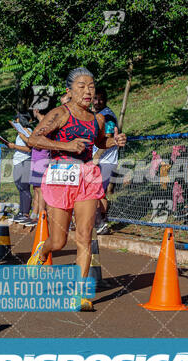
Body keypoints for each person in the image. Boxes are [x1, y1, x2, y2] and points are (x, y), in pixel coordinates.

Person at [26, 67, 126, 310]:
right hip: (61, 174)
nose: (87, 91)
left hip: (87, 176)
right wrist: (66, 145)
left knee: (84, 236)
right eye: (81, 86)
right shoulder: (59, 113)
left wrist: (115, 141)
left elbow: (100, 141)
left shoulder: (98, 119)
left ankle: (81, 294)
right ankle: (41, 252)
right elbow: (33, 139)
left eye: (91, 86)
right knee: (58, 242)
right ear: (69, 91)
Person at [92, 87, 119, 234]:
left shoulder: (107, 116)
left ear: (105, 100)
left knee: (94, 193)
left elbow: (108, 138)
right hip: (100, 161)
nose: (97, 101)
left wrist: (96, 157)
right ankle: (102, 223)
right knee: (98, 193)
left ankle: (100, 223)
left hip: (105, 160)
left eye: (100, 99)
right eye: (95, 98)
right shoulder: (96, 114)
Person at [4, 113, 33, 225]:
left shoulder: (27, 131)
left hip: (25, 161)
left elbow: (29, 148)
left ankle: (25, 213)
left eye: (16, 121)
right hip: (19, 161)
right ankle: (21, 212)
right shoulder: (21, 133)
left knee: (24, 188)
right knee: (20, 187)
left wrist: (14, 146)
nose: (15, 123)